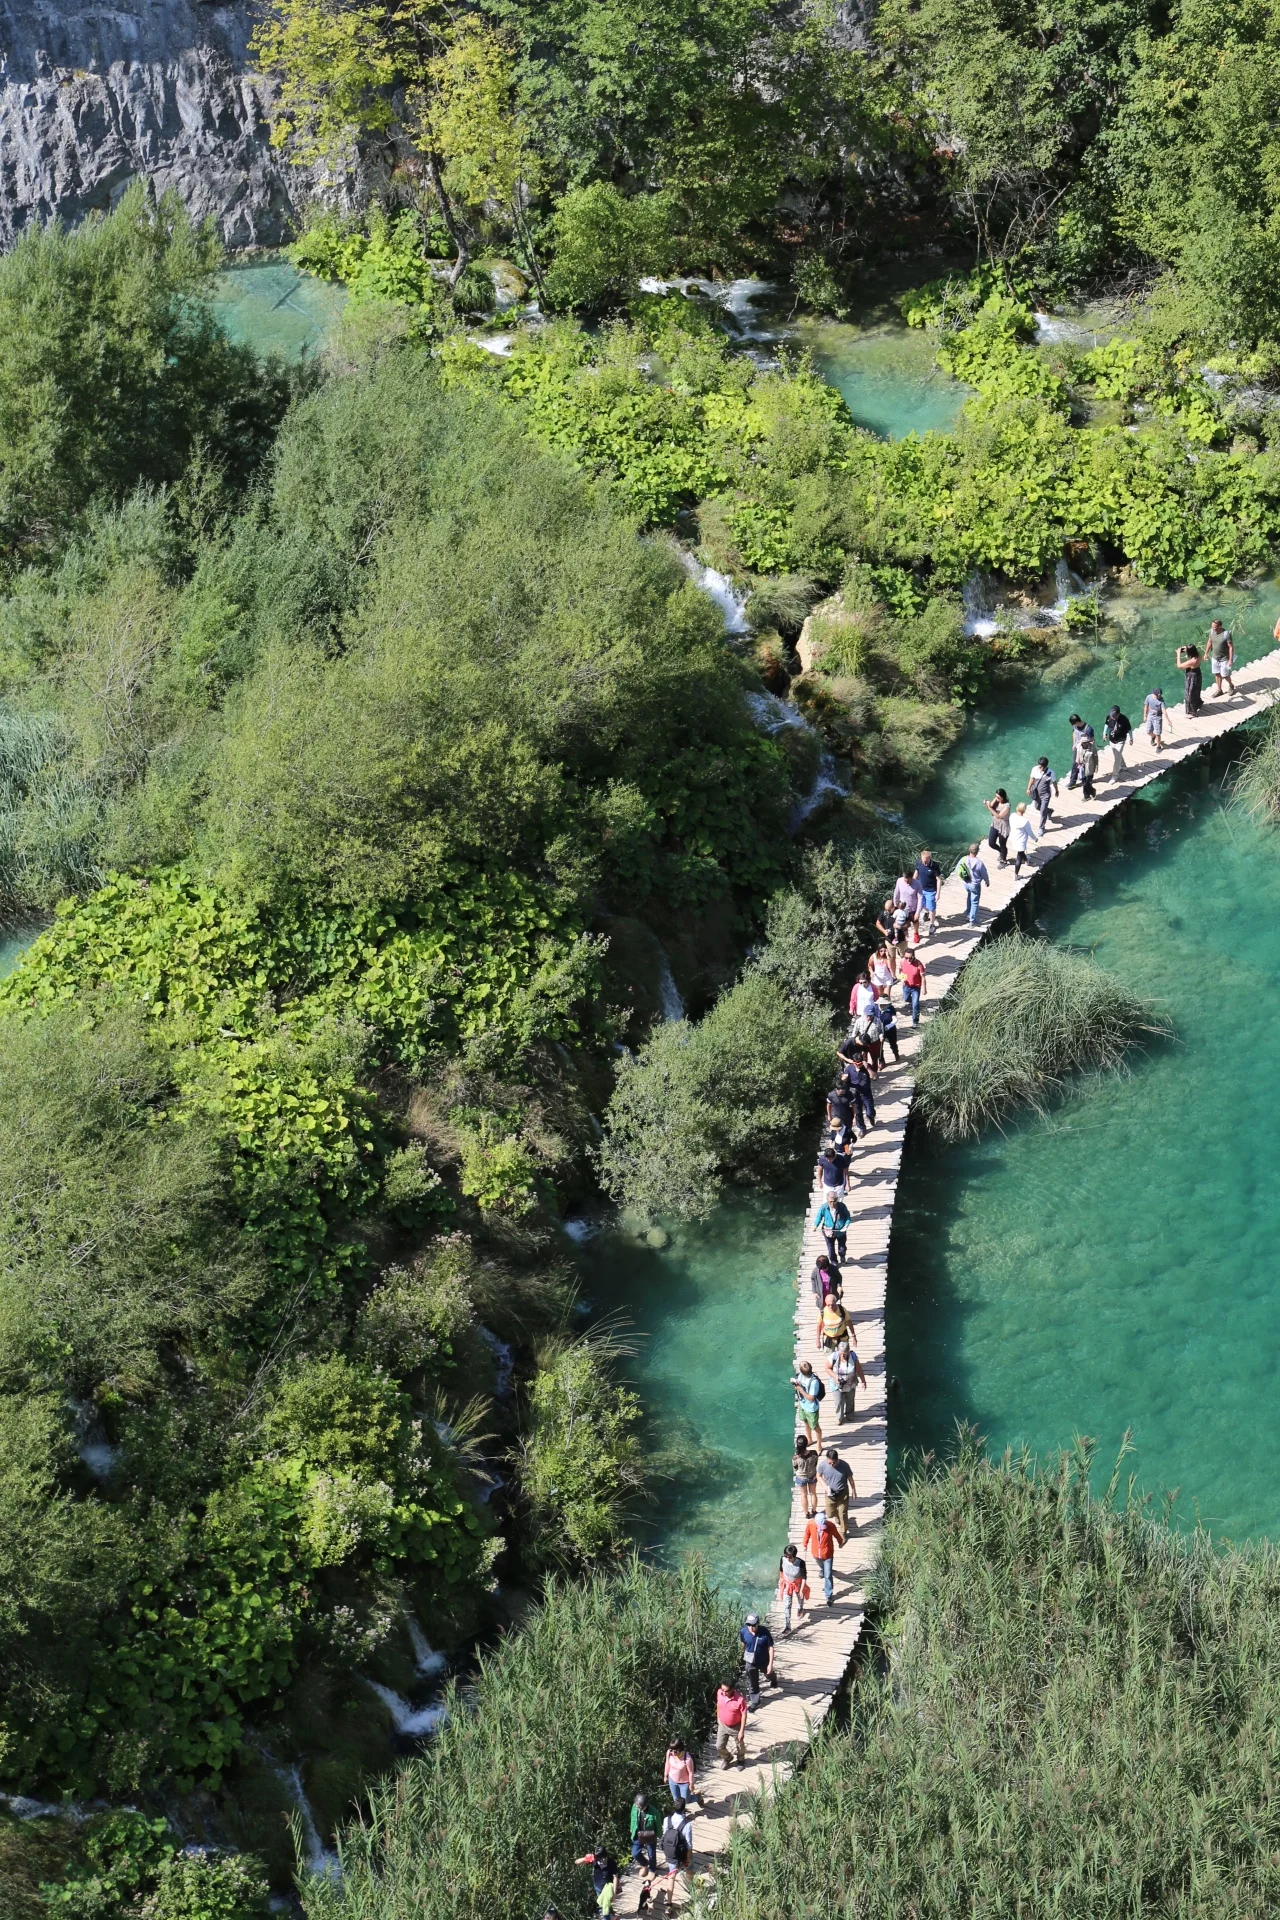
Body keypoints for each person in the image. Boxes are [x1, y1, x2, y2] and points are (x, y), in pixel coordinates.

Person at [802, 1506, 843, 1606]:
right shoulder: (811, 1524)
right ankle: (823, 1569)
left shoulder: (830, 1526)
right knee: (823, 1568)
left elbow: (837, 1535)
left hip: (828, 1554)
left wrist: (840, 1542)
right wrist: (805, 1544)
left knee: (828, 1575)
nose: (822, 1528)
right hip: (816, 1554)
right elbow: (807, 1534)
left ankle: (828, 1596)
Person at [659, 1808, 695, 1905]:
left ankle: (669, 1903)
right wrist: (687, 1860)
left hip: (670, 1853)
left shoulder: (667, 1819)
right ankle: (693, 1892)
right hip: (682, 1853)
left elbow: (664, 1834)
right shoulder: (687, 1825)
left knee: (671, 1877)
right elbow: (689, 1845)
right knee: (689, 1871)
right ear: (684, 1809)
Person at [818, 1447, 856, 1538]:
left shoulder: (844, 1466)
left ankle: (843, 1534)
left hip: (842, 1494)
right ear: (827, 1459)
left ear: (837, 1459)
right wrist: (825, 1487)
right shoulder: (823, 1465)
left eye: (833, 1462)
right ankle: (837, 1517)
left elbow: (850, 1479)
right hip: (830, 1495)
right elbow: (818, 1476)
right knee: (830, 1514)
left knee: (843, 1514)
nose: (831, 1464)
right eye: (829, 1462)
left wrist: (854, 1490)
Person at [740, 1611, 775, 1707]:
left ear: (758, 1623)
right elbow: (743, 1643)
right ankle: (755, 1701)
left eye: (753, 1625)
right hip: (750, 1662)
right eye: (748, 1625)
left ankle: (773, 1679)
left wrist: (770, 1665)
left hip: (764, 1660)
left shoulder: (764, 1632)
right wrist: (744, 1655)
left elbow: (770, 1647)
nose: (751, 1627)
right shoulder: (743, 1631)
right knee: (753, 1682)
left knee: (769, 1673)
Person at [574, 1843, 620, 1917]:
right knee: (605, 1904)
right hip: (598, 1886)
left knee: (605, 1906)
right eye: (598, 1859)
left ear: (605, 1856)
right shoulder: (594, 1860)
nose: (600, 1861)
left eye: (601, 1859)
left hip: (608, 1888)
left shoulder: (611, 1862)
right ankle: (613, 1916)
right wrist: (586, 1858)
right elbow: (577, 1862)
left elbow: (615, 1877)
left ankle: (608, 1917)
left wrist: (614, 1893)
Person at [829, 1334, 867, 1423]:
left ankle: (849, 1413)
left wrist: (863, 1381)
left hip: (850, 1384)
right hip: (836, 1384)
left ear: (848, 1352)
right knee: (838, 1402)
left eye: (845, 1354)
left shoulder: (853, 1357)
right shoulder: (833, 1357)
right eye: (841, 1354)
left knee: (850, 1400)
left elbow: (859, 1369)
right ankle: (839, 1417)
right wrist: (835, 1376)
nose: (843, 1356)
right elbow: (827, 1368)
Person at [791, 1360, 825, 1449]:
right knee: (805, 1422)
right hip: (803, 1405)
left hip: (811, 1408)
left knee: (815, 1426)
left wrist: (800, 1390)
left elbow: (811, 1398)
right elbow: (800, 1382)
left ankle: (819, 1445)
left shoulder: (814, 1382)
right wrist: (795, 1383)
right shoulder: (801, 1375)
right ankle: (809, 1439)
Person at [715, 1679, 748, 1768]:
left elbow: (744, 1714)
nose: (723, 1692)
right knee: (719, 1746)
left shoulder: (740, 1699)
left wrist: (741, 1731)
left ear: (732, 1689)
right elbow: (718, 1704)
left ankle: (741, 1760)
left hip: (736, 1727)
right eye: (722, 1689)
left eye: (726, 1691)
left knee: (739, 1745)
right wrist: (718, 1717)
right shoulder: (719, 1693)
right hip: (723, 1725)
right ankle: (728, 1758)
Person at [956, 843, 989, 926]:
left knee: (969, 896)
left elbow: (957, 869)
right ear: (977, 852)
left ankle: (968, 913)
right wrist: (987, 881)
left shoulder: (963, 859)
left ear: (969, 850)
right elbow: (984, 874)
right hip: (975, 885)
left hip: (966, 884)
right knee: (975, 902)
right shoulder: (979, 863)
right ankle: (972, 920)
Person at [843, 1050, 876, 1134]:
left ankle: (871, 1116)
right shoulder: (849, 1068)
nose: (858, 1065)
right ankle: (862, 1129)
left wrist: (867, 1067)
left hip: (866, 1094)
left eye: (860, 1063)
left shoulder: (866, 1066)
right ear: (853, 1062)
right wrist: (844, 1077)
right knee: (858, 1113)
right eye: (856, 1064)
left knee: (869, 1112)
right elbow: (843, 1078)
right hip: (854, 1094)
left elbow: (874, 1077)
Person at [778, 1543, 808, 1632]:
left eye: (790, 1557)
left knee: (800, 1598)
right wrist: (781, 1580)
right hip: (788, 1584)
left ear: (794, 1556)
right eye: (786, 1556)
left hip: (798, 1584)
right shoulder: (783, 1559)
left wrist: (802, 1589)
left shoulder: (800, 1563)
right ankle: (787, 1626)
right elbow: (781, 1570)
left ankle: (800, 1608)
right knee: (787, 1605)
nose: (788, 1558)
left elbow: (804, 1577)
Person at [913, 849, 943, 939]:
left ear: (930, 858)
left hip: (931, 891)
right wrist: (913, 886)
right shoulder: (919, 863)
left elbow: (939, 879)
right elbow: (916, 874)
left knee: (932, 908)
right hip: (921, 890)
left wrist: (938, 893)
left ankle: (932, 924)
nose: (924, 863)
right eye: (923, 861)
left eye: (926, 861)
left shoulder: (934, 866)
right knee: (921, 905)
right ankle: (927, 913)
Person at [814, 1192, 851, 1263]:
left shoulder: (842, 1206)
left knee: (842, 1249)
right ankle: (834, 1262)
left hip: (841, 1232)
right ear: (827, 1200)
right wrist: (816, 1225)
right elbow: (819, 1216)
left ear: (837, 1200)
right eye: (830, 1202)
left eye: (834, 1201)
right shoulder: (824, 1207)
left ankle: (842, 1255)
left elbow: (847, 1217)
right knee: (831, 1250)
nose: (832, 1203)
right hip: (828, 1232)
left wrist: (846, 1225)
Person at [630, 1794, 659, 1878]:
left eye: (640, 1806)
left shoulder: (654, 1812)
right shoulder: (635, 1807)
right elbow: (632, 1817)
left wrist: (658, 1835)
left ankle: (652, 1870)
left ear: (645, 1805)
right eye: (637, 1805)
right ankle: (644, 1864)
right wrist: (632, 1827)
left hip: (649, 1835)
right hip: (638, 1833)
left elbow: (658, 1825)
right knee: (635, 1853)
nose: (637, 1807)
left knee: (651, 1854)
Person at [1027, 757, 1058, 833]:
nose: (1040, 768)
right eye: (1039, 766)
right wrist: (1028, 788)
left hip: (1045, 794)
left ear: (1046, 766)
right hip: (1036, 793)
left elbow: (1054, 782)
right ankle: (1049, 811)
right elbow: (1032, 779)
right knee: (1037, 807)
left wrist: (1057, 791)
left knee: (1042, 811)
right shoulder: (1034, 769)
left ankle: (1041, 828)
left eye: (1042, 767)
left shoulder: (1051, 773)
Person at [663, 1740, 697, 1811]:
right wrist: (665, 1775)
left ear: (680, 1750)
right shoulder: (669, 1753)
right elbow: (667, 1763)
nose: (673, 1752)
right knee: (677, 1801)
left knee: (686, 1800)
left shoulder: (687, 1759)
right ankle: (681, 1814)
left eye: (675, 1751)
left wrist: (691, 1784)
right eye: (671, 1750)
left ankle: (698, 1797)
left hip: (684, 1783)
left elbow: (691, 1772)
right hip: (672, 1780)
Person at [1009, 802, 1039, 876]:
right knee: (1019, 857)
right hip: (1021, 841)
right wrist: (1035, 839)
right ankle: (1016, 875)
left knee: (1021, 853)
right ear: (1024, 810)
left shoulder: (1012, 816)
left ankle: (1027, 862)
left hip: (1013, 838)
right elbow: (1030, 833)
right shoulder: (1025, 821)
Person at [793, 1431, 819, 1517]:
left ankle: (806, 1513)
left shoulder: (795, 1458)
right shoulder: (814, 1453)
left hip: (801, 1478)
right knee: (813, 1494)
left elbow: (795, 1468)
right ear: (806, 1444)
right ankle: (814, 1511)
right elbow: (815, 1463)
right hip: (812, 1476)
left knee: (803, 1495)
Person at [898, 948, 926, 1026]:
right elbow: (900, 970)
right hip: (906, 985)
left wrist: (924, 989)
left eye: (910, 958)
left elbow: (923, 977)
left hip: (916, 987)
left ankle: (915, 1021)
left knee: (915, 1005)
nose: (908, 960)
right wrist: (901, 978)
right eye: (906, 957)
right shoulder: (902, 961)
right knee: (906, 998)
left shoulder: (919, 964)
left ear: (913, 956)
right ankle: (915, 1002)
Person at [892, 868, 921, 944]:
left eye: (908, 880)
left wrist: (917, 912)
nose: (906, 882)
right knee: (903, 923)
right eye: (905, 880)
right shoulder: (899, 881)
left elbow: (920, 898)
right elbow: (896, 893)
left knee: (915, 921)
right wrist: (895, 905)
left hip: (912, 907)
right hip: (902, 908)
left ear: (911, 878)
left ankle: (916, 933)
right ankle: (905, 936)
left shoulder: (917, 884)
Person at [1103, 705, 1132, 778]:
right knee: (1116, 754)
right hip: (1112, 740)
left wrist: (1131, 738)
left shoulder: (1124, 719)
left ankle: (1115, 776)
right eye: (1111, 715)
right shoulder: (1109, 717)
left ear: (1118, 714)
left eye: (1114, 716)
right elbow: (1106, 724)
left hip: (1120, 741)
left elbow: (1129, 729)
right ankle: (1123, 766)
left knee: (1116, 759)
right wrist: (1104, 733)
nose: (1112, 717)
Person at [984, 788, 1011, 866]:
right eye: (996, 796)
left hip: (1003, 827)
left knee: (1002, 844)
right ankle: (1001, 852)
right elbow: (991, 806)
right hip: (995, 824)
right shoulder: (996, 800)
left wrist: (989, 808)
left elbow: (999, 816)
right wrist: (987, 803)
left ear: (1003, 797)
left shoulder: (1007, 805)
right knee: (991, 843)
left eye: (999, 797)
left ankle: (1004, 860)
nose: (997, 798)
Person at [1066, 714, 1094, 790]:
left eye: (1073, 723)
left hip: (1085, 750)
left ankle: (1089, 779)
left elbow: (1092, 740)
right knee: (1075, 764)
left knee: (1086, 766)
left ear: (1077, 722)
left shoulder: (1088, 729)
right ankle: (1072, 782)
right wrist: (1074, 744)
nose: (1073, 725)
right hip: (1077, 748)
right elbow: (1074, 733)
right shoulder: (1075, 726)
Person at [1176, 642, 1204, 717]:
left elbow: (1179, 666)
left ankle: (1192, 712)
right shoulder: (1198, 654)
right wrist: (1185, 649)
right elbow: (1191, 649)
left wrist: (1178, 654)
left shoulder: (1193, 661)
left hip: (1192, 677)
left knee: (1190, 694)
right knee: (1196, 691)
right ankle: (1198, 703)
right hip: (1198, 673)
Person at [1209, 619, 1236, 694]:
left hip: (1224, 659)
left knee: (1225, 675)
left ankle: (1231, 685)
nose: (1213, 629)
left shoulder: (1226, 634)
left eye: (1214, 627)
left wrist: (1230, 659)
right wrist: (1206, 653)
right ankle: (1219, 690)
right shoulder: (1212, 632)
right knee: (1217, 673)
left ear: (1220, 626)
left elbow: (1231, 647)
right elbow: (1209, 641)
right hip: (1215, 657)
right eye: (1212, 627)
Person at [825, 1081, 853, 1150]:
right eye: (842, 1091)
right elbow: (828, 1105)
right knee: (834, 1131)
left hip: (847, 1118)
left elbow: (854, 1105)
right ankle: (832, 1145)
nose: (844, 1092)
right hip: (836, 1118)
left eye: (844, 1090)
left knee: (846, 1138)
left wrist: (855, 1117)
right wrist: (829, 1115)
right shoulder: (831, 1095)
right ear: (837, 1089)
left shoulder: (849, 1094)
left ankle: (847, 1152)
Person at [875, 989, 901, 1064]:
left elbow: (895, 1019)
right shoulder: (875, 1008)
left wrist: (889, 1026)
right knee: (879, 1047)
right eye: (882, 1004)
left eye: (885, 1005)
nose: (883, 1006)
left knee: (893, 1043)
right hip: (879, 1030)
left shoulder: (891, 1008)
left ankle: (896, 1053)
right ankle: (881, 1061)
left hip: (890, 1029)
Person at [1078, 729, 1099, 801]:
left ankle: (1093, 791)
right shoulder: (1079, 746)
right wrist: (1077, 762)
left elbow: (1095, 757)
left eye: (1086, 742)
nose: (1085, 744)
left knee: (1087, 783)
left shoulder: (1092, 747)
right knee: (1083, 782)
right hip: (1082, 767)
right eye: (1084, 742)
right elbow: (1078, 755)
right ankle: (1086, 796)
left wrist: (1096, 766)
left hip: (1090, 767)